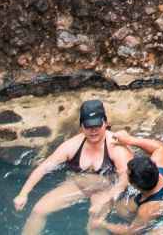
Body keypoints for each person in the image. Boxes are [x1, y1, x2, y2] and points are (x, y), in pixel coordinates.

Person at [13, 99, 134, 235]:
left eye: (97, 126)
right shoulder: (72, 145)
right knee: (38, 210)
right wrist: (23, 194)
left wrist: (109, 197)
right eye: (88, 126)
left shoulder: (116, 147)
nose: (93, 131)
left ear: (105, 123)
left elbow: (125, 178)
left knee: (94, 224)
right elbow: (44, 167)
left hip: (108, 188)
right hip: (80, 184)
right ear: (81, 126)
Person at [98, 153, 163, 234]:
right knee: (121, 208)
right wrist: (128, 139)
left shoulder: (147, 209)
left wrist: (103, 224)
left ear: (134, 185)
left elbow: (131, 232)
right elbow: (159, 146)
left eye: (127, 174)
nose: (125, 173)